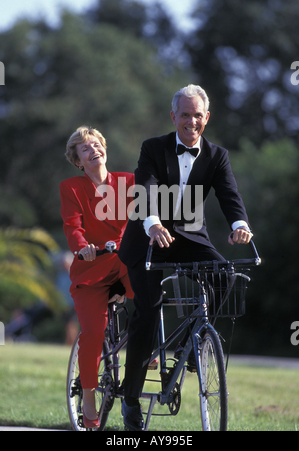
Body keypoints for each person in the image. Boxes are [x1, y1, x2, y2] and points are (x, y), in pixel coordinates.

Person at [118, 84, 253, 431]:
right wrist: (152, 223)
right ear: (173, 116)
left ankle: (187, 348)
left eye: (197, 115)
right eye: (185, 115)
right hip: (149, 237)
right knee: (146, 314)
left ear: (206, 118)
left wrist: (240, 224)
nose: (191, 121)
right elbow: (145, 187)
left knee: (225, 275)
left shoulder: (216, 156)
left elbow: (229, 194)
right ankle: (130, 400)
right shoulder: (153, 148)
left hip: (190, 236)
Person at [60, 126, 134, 429]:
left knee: (148, 289)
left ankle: (147, 346)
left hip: (124, 261)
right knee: (93, 330)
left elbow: (141, 218)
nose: (93, 150)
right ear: (78, 160)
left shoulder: (128, 182)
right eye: (85, 148)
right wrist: (82, 247)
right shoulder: (72, 188)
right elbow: (72, 225)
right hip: (91, 267)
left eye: (96, 144)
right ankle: (88, 398)